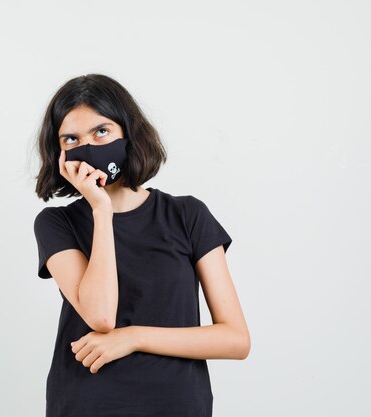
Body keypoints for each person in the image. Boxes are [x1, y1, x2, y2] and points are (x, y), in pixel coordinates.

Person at [33, 73, 250, 417]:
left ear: (128, 133)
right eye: (71, 139)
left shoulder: (187, 215)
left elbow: (236, 340)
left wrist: (133, 337)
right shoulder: (57, 224)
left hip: (176, 406)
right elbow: (102, 317)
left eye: (101, 131)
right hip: (87, 404)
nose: (88, 148)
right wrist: (101, 211)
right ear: (59, 152)